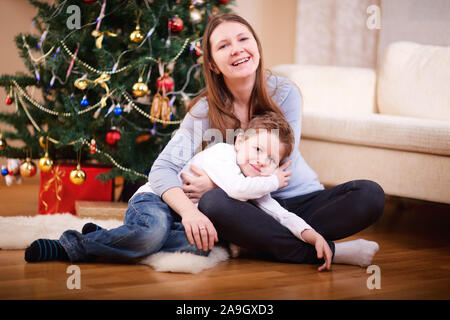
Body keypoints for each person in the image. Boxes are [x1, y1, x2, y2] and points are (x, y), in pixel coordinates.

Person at [148, 13, 385, 271]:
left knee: (369, 195)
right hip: (246, 208)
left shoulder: (285, 93)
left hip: (298, 199)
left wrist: (217, 182)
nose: (237, 49)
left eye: (243, 39)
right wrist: (190, 212)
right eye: (223, 45)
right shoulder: (203, 112)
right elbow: (162, 169)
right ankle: (330, 251)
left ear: (257, 48)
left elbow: (279, 162)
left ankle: (260, 242)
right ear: (213, 64)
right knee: (212, 203)